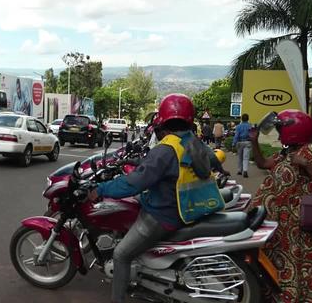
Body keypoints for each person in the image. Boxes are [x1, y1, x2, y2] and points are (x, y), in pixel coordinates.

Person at [87, 93, 228, 303]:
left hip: (164, 215)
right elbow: (213, 161)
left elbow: (134, 183)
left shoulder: (165, 149)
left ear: (163, 120)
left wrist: (102, 189)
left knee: (121, 254)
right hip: (192, 208)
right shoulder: (194, 141)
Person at [250, 109, 312, 302]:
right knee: (279, 264)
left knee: (303, 265)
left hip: (301, 226)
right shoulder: (285, 153)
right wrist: (254, 141)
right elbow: (263, 164)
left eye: (281, 129)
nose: (279, 133)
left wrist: (306, 165)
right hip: (281, 226)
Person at [233, 113, 251, 178]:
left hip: (240, 142)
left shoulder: (238, 126)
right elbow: (252, 135)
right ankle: (245, 170)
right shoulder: (250, 126)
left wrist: (234, 143)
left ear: (241, 119)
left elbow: (236, 136)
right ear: (248, 119)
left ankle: (239, 170)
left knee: (240, 157)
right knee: (246, 157)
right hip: (248, 142)